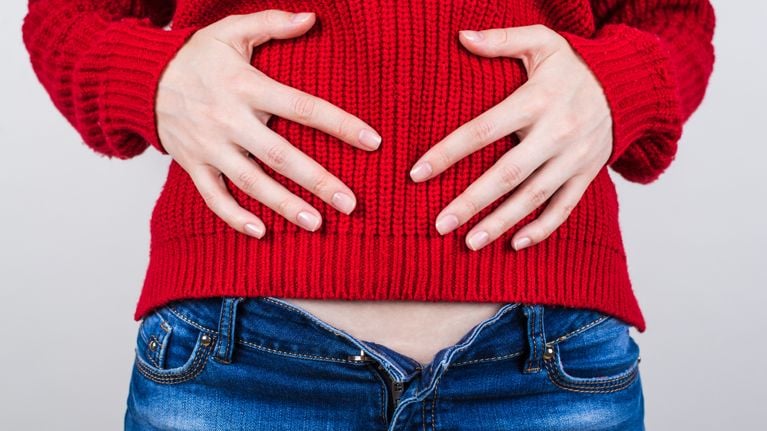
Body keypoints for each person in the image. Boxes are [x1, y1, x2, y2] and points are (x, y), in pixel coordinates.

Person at [22, 0, 716, 429]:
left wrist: (617, 85)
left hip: (548, 365)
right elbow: (69, 15)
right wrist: (151, 76)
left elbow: (670, 21)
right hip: (239, 358)